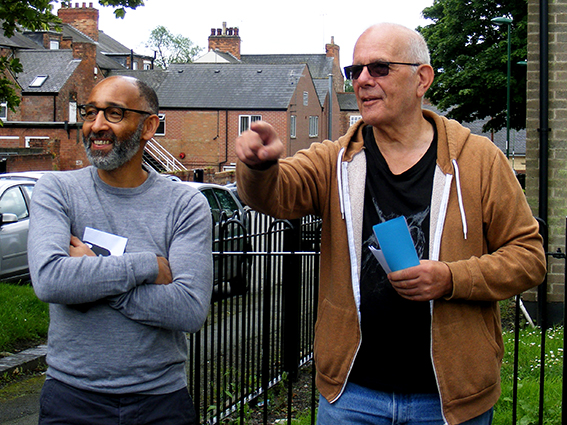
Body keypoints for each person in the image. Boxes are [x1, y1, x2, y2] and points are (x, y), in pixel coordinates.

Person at [235, 23, 546, 425]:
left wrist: (451, 278)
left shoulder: (478, 161)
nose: (362, 80)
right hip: (352, 396)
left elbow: (528, 258)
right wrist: (259, 166)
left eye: (379, 68)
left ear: (422, 79)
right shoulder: (335, 160)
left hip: (449, 400)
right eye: (355, 70)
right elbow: (275, 195)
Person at [28, 75, 213, 424]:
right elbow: (51, 280)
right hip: (72, 400)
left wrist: (90, 274)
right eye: (90, 112)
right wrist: (147, 267)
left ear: (148, 127)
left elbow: (189, 310)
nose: (96, 125)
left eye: (114, 113)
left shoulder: (185, 204)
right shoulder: (57, 190)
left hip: (160, 403)